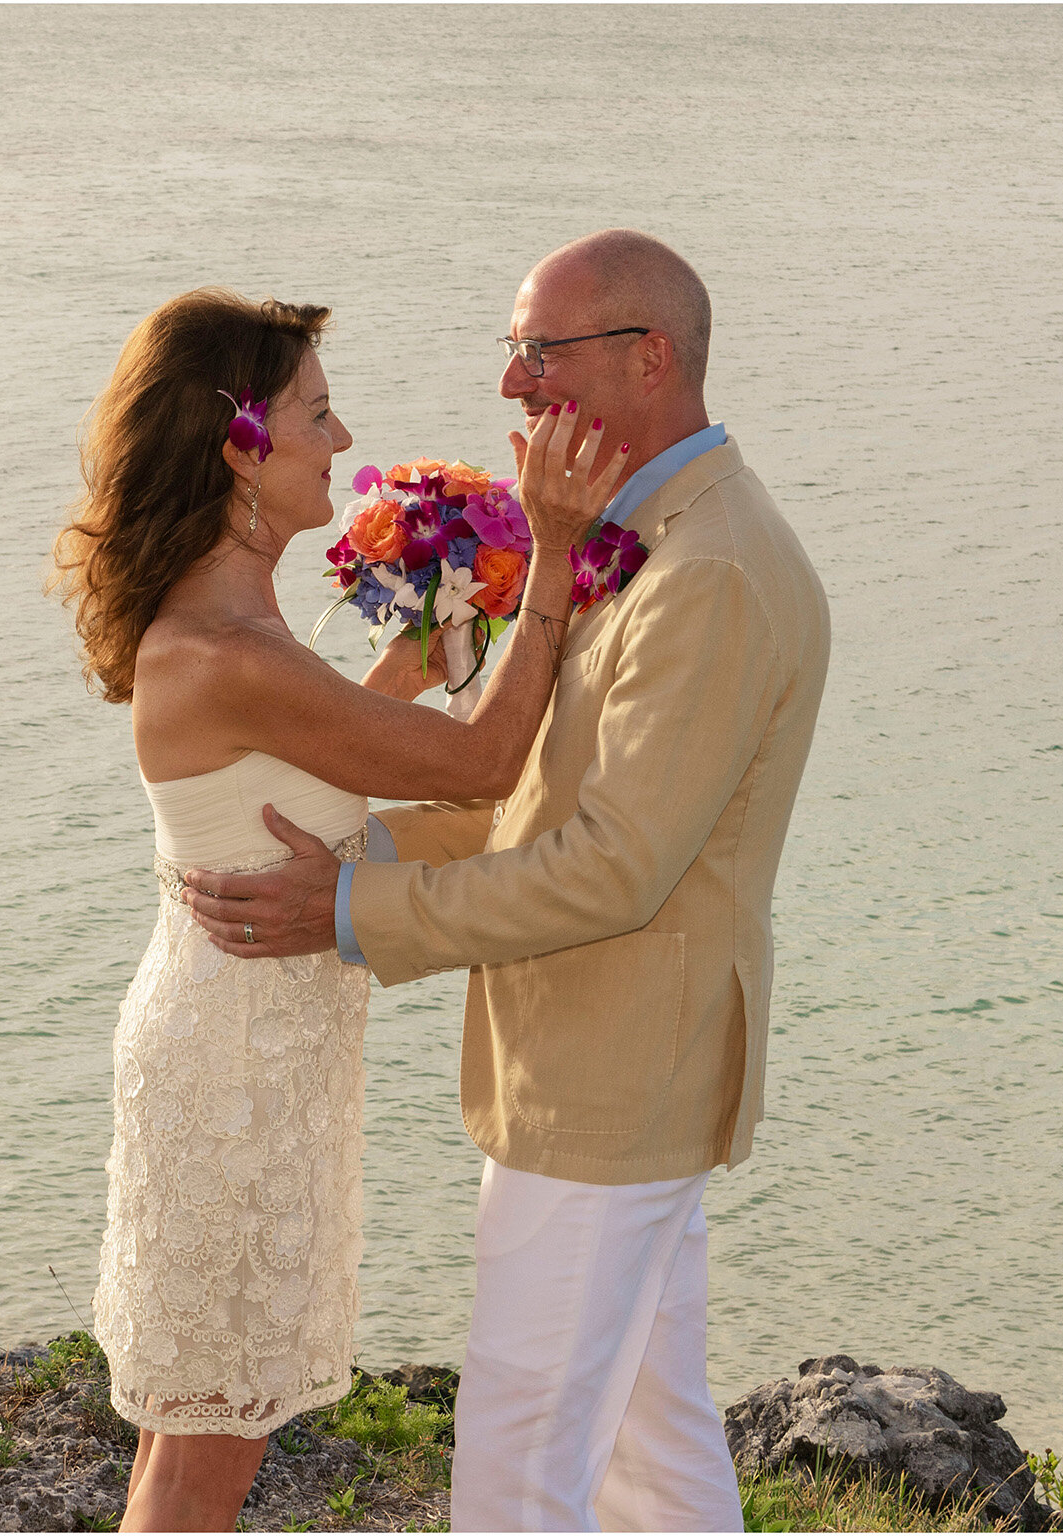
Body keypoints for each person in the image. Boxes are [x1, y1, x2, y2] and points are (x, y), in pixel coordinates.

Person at [179, 230, 832, 1532]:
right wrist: (351, 858)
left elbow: (612, 871)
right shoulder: (640, 538)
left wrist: (354, 911)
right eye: (511, 354)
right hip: (619, 1074)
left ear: (649, 359)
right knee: (659, 1459)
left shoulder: (706, 574)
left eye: (539, 355)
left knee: (515, 1479)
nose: (513, 391)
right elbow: (532, 806)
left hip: (609, 1087)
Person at [52, 288, 622, 1531]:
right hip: (236, 1064)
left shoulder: (233, 626)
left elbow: (307, 769)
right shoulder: (228, 648)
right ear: (240, 443)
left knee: (193, 1433)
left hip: (246, 1042)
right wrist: (551, 561)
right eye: (315, 411)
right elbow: (476, 769)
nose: (344, 437)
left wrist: (409, 662)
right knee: (209, 1450)